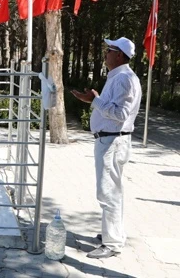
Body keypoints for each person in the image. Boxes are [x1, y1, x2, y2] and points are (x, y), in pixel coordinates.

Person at [71, 37, 142, 259]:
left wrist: (95, 101)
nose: (105, 53)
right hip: (111, 140)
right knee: (113, 192)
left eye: (109, 50)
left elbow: (120, 115)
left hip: (112, 141)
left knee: (107, 193)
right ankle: (113, 234)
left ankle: (112, 243)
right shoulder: (119, 77)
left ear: (119, 54)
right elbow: (113, 108)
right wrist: (93, 100)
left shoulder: (123, 79)